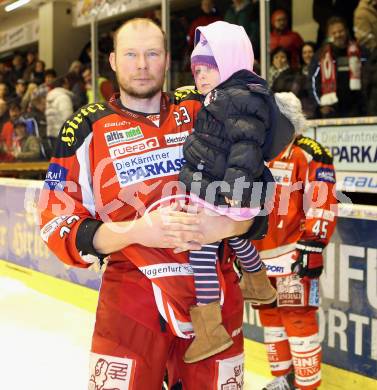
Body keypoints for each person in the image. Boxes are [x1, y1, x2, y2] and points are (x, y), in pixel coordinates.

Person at [38, 18, 286, 389]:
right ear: (112, 61)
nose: (142, 64)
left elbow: (264, 190)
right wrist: (137, 231)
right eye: (131, 54)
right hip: (131, 300)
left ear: (167, 59)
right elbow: (56, 223)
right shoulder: (85, 129)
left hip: (215, 294)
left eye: (152, 54)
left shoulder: (206, 104)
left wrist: (229, 226)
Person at [178, 21, 296, 364]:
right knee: (235, 240)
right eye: (196, 70)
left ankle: (211, 330)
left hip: (227, 190)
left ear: (230, 63)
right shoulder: (226, 95)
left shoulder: (238, 98)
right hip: (219, 186)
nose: (199, 77)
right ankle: (258, 284)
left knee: (201, 251)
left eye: (208, 69)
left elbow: (245, 145)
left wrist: (236, 189)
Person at [252, 92, 337, 390]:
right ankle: (282, 382)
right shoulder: (258, 151)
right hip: (260, 258)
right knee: (271, 320)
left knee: (298, 320)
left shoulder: (311, 152)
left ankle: (306, 386)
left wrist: (313, 243)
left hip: (294, 256)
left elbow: (323, 201)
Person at [309, 16, 368, 118]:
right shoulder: (320, 56)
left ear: (346, 32)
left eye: (340, 31)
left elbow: (370, 78)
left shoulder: (361, 53)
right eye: (334, 33)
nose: (338, 35)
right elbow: (311, 83)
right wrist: (320, 105)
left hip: (359, 109)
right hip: (332, 111)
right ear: (329, 35)